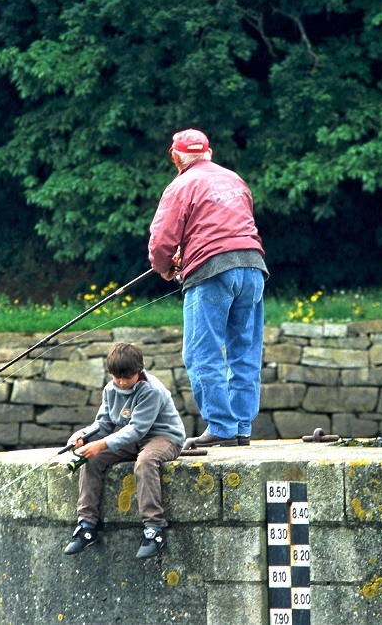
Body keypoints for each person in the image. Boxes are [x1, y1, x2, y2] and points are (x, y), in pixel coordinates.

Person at [148, 128, 268, 450]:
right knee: (246, 351)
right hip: (253, 267)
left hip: (211, 271)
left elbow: (161, 242)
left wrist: (165, 268)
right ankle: (242, 427)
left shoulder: (180, 186)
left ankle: (222, 427)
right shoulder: (235, 179)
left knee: (202, 353)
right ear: (209, 153)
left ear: (175, 157)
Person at [63, 342, 185, 559]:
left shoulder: (151, 390)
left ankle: (154, 529)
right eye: (116, 377)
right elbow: (104, 424)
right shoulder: (111, 389)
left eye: (127, 378)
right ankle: (87, 525)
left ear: (139, 370)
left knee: (145, 462)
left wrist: (102, 443)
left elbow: (137, 429)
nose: (121, 382)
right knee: (92, 458)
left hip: (163, 437)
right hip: (132, 437)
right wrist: (84, 435)